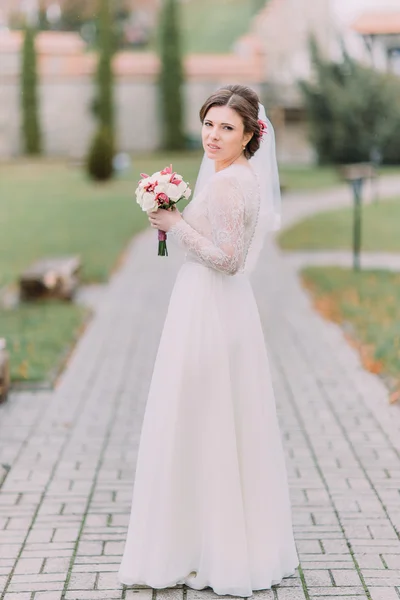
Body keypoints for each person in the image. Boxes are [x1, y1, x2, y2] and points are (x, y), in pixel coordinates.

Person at [118, 85, 299, 597]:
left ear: (249, 136)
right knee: (218, 420)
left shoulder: (227, 185)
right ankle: (215, 543)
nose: (213, 135)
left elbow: (228, 259)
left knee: (202, 419)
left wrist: (174, 225)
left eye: (227, 127)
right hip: (222, 307)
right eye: (209, 123)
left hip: (211, 310)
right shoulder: (234, 177)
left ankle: (206, 548)